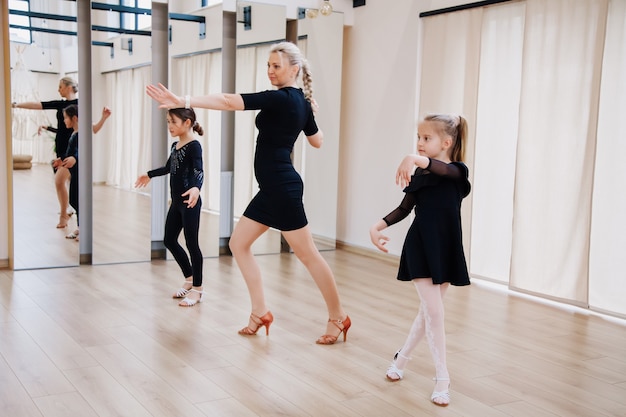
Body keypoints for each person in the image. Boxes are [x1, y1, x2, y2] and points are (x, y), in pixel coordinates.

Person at [146, 41, 350, 343]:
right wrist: (308, 112)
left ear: (293, 69)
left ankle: (338, 317)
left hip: (282, 188)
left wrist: (184, 98)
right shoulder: (300, 102)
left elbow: (230, 101)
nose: (270, 71)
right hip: (271, 188)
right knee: (239, 244)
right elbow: (317, 140)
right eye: (268, 65)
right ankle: (260, 312)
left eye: (276, 66)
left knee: (308, 255)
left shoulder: (281, 99)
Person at [369, 114, 471, 407]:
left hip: (446, 248)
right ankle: (443, 378)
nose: (420, 143)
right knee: (435, 313)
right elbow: (403, 209)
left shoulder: (457, 172)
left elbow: (443, 170)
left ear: (447, 142)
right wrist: (377, 227)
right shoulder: (420, 176)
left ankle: (400, 359)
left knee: (428, 312)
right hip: (421, 247)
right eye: (419, 138)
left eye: (427, 138)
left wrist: (413, 158)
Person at [11, 76, 111, 228]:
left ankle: (66, 216)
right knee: (66, 184)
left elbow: (93, 129)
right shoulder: (60, 105)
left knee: (60, 182)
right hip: (61, 150)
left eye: (60, 87)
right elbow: (38, 105)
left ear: (69, 87)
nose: (58, 90)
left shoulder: (80, 105)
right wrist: (16, 105)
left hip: (73, 153)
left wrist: (103, 118)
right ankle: (73, 215)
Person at [134, 108, 205, 307]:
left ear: (187, 122)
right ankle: (189, 278)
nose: (170, 126)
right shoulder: (176, 145)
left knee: (192, 244)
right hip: (176, 202)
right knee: (169, 240)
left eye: (173, 122)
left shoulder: (194, 146)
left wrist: (196, 189)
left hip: (190, 202)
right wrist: (149, 174)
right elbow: (168, 168)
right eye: (168, 122)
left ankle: (198, 290)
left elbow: (199, 171)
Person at [54, 104, 80, 240]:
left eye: (65, 118)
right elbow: (69, 154)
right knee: (74, 200)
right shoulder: (74, 134)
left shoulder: (80, 135)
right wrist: (61, 160)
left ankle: (83, 229)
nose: (64, 121)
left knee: (78, 201)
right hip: (74, 172)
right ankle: (80, 228)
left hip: (79, 172)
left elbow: (77, 154)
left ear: (74, 118)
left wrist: (74, 159)